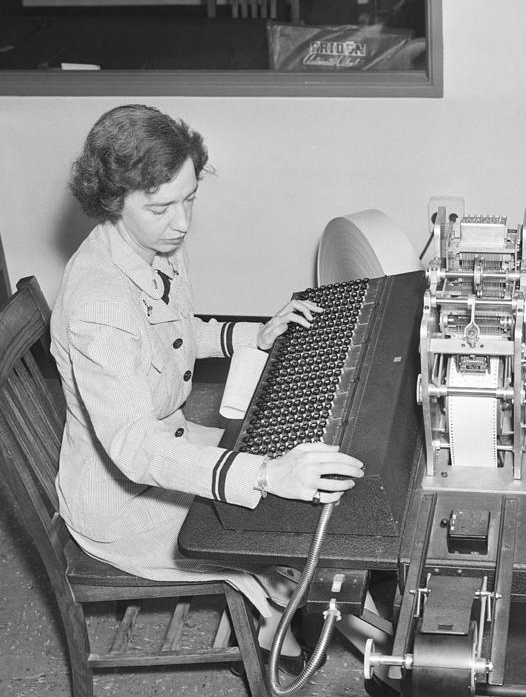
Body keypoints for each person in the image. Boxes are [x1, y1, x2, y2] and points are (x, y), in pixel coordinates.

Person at [50, 104, 364, 667]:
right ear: (111, 200)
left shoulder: (150, 244)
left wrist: (252, 333)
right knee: (268, 512)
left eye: (189, 197)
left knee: (287, 488)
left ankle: (295, 602)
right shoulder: (98, 305)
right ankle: (288, 607)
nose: (182, 222)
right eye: (162, 207)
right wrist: (266, 474)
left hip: (171, 440)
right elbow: (137, 452)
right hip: (121, 497)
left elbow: (172, 331)